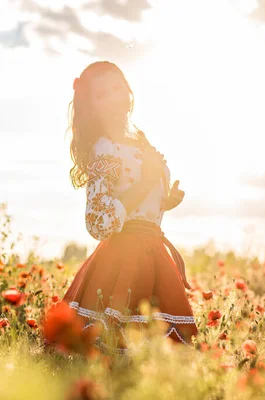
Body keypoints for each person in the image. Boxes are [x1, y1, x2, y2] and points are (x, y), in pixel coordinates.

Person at [62, 61, 198, 355]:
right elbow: (99, 222)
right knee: (119, 352)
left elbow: (136, 205)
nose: (113, 97)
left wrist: (165, 202)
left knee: (162, 357)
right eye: (102, 94)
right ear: (91, 105)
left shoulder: (140, 142)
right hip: (122, 260)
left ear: (128, 91)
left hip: (154, 255)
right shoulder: (104, 148)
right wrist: (147, 180)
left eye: (117, 87)